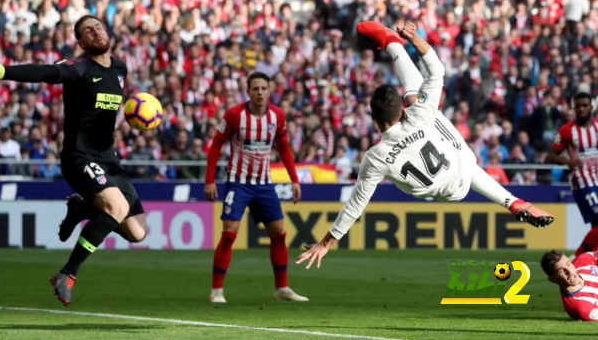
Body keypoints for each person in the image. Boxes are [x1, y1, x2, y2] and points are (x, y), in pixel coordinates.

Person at [296, 21, 554, 269]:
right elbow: (437, 70)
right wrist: (415, 39)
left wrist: (326, 243)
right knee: (418, 97)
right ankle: (393, 43)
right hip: (458, 160)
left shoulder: (375, 158)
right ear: (402, 111)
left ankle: (511, 201)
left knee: (419, 101)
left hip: (447, 190)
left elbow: (355, 206)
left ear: (373, 118)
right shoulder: (419, 114)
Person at [0, 15, 147, 306]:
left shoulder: (121, 68)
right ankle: (67, 273)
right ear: (81, 43)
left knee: (137, 232)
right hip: (79, 156)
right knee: (117, 206)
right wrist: (0, 70)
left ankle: (80, 209)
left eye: (98, 26)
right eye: (88, 31)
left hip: (108, 159)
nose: (96, 32)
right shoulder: (79, 68)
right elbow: (45, 72)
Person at [204, 71, 308, 303]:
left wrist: (294, 179)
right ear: (248, 91)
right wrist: (209, 180)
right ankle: (216, 291)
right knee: (229, 233)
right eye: (255, 89)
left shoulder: (277, 116)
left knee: (279, 233)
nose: (260, 92)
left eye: (264, 88)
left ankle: (282, 288)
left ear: (269, 91)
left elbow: (284, 149)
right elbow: (215, 146)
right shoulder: (234, 115)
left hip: (264, 184)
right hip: (238, 183)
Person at [548, 93, 598, 251]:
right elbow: (552, 155)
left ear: (591, 106)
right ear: (574, 108)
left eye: (584, 105)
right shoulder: (566, 131)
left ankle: (588, 258)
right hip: (582, 181)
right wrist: (568, 161)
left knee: (595, 225)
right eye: (578, 106)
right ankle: (578, 258)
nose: (581, 109)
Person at [541, 250, 598, 322]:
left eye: (568, 264)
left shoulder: (583, 261)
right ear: (553, 280)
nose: (569, 272)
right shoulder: (580, 306)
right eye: (561, 271)